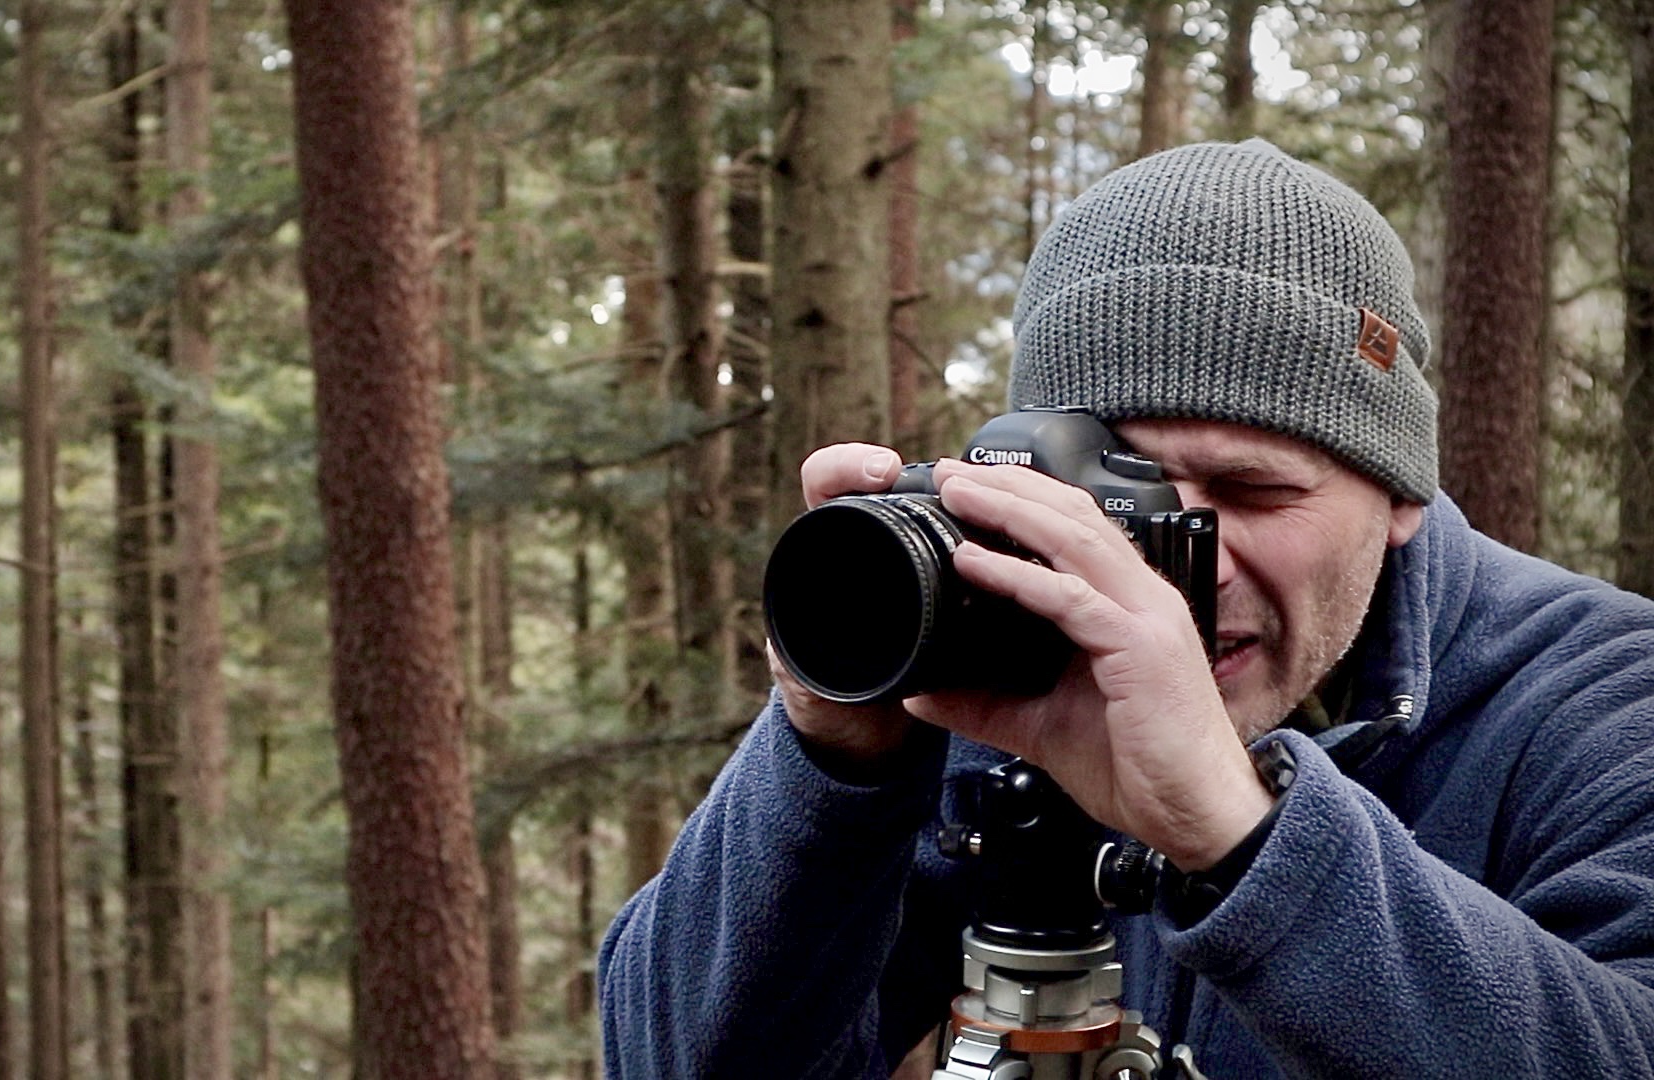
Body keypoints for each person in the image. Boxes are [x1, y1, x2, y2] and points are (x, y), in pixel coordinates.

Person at [595, 139, 1654, 1078]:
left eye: (1253, 492)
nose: (1170, 575)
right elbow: (674, 1057)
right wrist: (833, 762)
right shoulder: (1022, 666)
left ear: (1399, 499)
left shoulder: (1604, 699)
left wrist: (1241, 832)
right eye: (1120, 499)